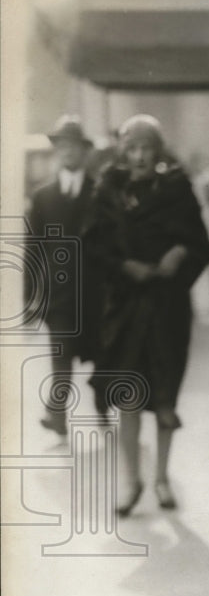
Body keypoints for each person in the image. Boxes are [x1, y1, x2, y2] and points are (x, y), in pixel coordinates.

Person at [85, 115, 209, 516]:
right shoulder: (108, 190)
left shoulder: (177, 189)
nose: (140, 155)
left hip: (167, 307)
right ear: (122, 151)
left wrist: (181, 253)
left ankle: (161, 479)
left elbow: (200, 242)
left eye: (146, 148)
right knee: (127, 396)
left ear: (157, 151)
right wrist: (126, 267)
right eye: (132, 147)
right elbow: (92, 246)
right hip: (124, 306)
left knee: (164, 396)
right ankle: (132, 480)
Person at [26, 115, 102, 436]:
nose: (67, 152)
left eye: (73, 146)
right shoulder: (43, 197)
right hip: (60, 299)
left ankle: (103, 406)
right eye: (62, 146)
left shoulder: (100, 192)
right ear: (56, 151)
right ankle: (57, 416)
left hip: (98, 295)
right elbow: (33, 250)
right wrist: (31, 298)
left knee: (103, 356)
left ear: (84, 151)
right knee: (61, 357)